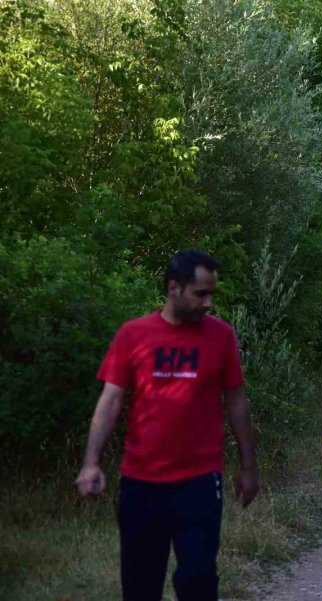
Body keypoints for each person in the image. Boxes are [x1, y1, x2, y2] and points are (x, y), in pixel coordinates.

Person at [75, 249, 259, 601]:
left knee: (198, 580)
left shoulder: (221, 336)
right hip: (141, 483)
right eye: (200, 293)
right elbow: (110, 400)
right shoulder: (134, 335)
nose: (208, 303)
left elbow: (237, 402)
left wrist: (249, 467)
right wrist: (91, 462)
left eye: (212, 294)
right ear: (174, 288)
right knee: (141, 584)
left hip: (200, 481)